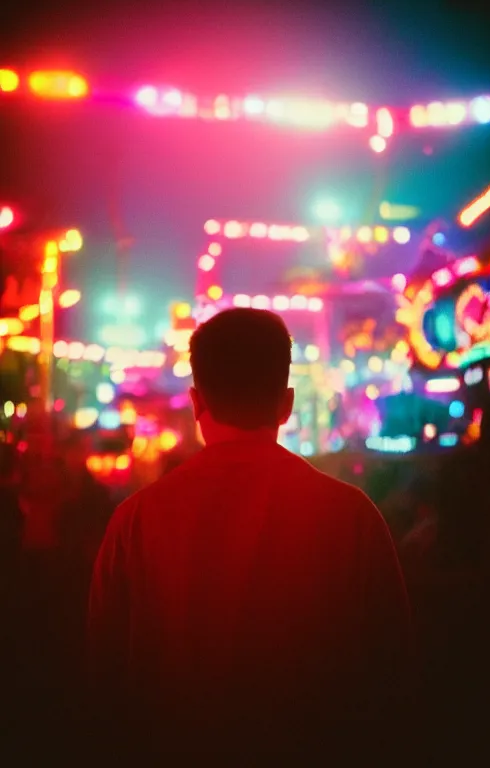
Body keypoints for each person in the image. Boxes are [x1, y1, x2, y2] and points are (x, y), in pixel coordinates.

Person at [88, 308, 413, 763]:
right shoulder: (352, 516)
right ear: (287, 402)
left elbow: (102, 682)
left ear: (197, 401)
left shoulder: (135, 520)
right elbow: (393, 674)